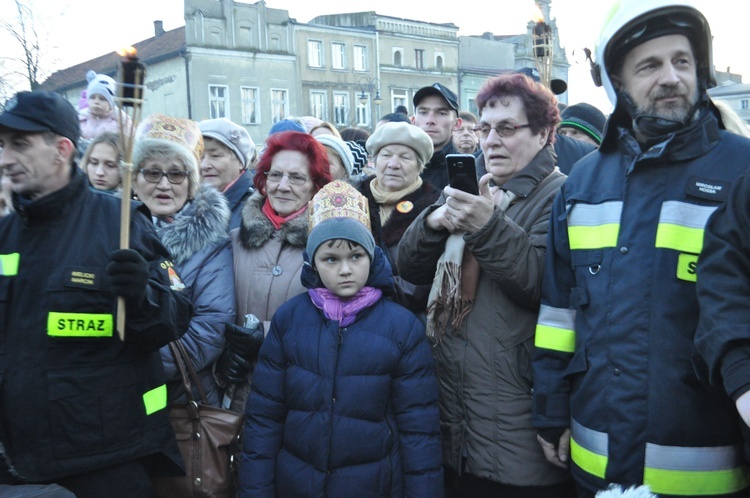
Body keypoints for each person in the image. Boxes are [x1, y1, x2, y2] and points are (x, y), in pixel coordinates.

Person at [531, 2, 750, 496]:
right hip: (594, 464)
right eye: (650, 65)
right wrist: (548, 410)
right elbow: (558, 313)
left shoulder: (743, 172)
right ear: (618, 83)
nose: (671, 77)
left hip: (709, 471)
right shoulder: (582, 183)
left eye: (682, 61)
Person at [0, 91, 191, 497]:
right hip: (19, 459)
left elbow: (175, 316)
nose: (5, 158)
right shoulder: (5, 235)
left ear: (62, 149)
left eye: (20, 144)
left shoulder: (118, 221)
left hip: (105, 459)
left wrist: (142, 296)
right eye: (1, 145)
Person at [398, 73, 573, 497]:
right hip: (455, 417)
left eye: (507, 129)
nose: (490, 140)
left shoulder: (560, 196)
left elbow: (541, 284)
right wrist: (433, 222)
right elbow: (408, 266)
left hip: (517, 424)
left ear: (545, 133)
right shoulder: (472, 187)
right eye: (484, 128)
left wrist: (487, 225)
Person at [240, 180, 443, 497]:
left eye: (356, 256)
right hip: (297, 482)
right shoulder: (289, 320)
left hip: (373, 484)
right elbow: (264, 419)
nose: (345, 269)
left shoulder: (401, 328)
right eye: (331, 259)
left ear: (372, 258)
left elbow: (419, 430)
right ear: (313, 263)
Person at [133, 114, 235, 407]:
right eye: (152, 173)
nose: (164, 184)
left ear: (191, 182)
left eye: (176, 174)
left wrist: (132, 366)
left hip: (180, 401)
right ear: (135, 179)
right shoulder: (106, 231)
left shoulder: (213, 245)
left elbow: (210, 328)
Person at [228, 130, 332, 412]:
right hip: (237, 391)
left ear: (315, 186)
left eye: (297, 178)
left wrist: (265, 333)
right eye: (275, 175)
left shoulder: (330, 247)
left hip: (303, 393)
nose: (283, 186)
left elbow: (337, 317)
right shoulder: (234, 240)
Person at [359, 121, 438, 315]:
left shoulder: (434, 208)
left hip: (407, 315)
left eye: (405, 157)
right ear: (374, 161)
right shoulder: (351, 200)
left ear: (420, 166)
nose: (393, 164)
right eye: (386, 155)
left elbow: (426, 280)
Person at [199, 117, 256, 229]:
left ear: (240, 162)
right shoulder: (185, 204)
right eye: (200, 157)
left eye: (215, 156)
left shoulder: (257, 208)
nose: (204, 165)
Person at [411, 82, 461, 188]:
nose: (430, 120)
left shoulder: (465, 172)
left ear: (456, 124)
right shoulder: (398, 168)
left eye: (441, 113)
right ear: (413, 121)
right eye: (423, 112)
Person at [78, 70, 132, 142]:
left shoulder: (122, 121)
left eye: (102, 99)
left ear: (111, 103)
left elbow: (130, 143)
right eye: (92, 97)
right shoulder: (81, 119)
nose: (96, 102)